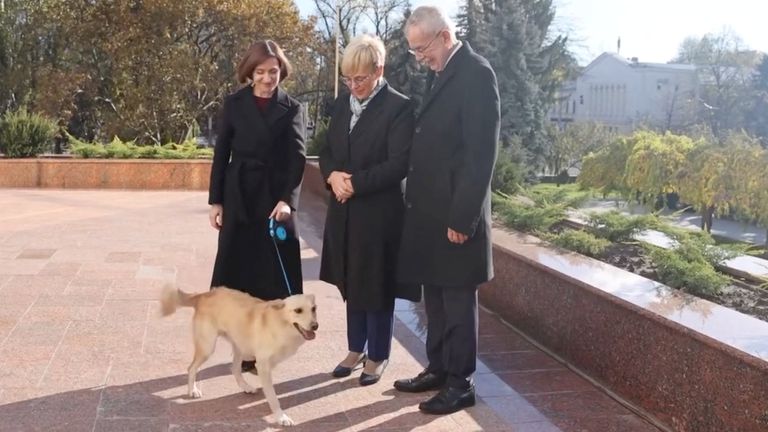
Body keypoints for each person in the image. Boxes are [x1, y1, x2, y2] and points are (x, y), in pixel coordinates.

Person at [393, 6, 500, 414]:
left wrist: (463, 218)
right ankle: (437, 369)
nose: (420, 58)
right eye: (415, 52)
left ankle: (461, 382)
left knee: (457, 304)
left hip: (456, 217)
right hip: (431, 215)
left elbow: (480, 153)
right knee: (434, 301)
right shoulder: (441, 73)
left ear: (444, 36)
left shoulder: (475, 73)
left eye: (422, 49)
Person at [319, 34, 419, 386]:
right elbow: (326, 149)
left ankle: (377, 354)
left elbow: (399, 164)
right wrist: (332, 176)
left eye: (360, 79)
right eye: (348, 79)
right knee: (350, 279)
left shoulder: (399, 107)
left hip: (378, 213)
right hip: (344, 211)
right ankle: (355, 347)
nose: (353, 86)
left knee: (376, 285)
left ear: (379, 70)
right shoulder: (344, 103)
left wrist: (354, 184)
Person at [208, 40, 307, 372]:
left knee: (271, 275)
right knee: (238, 273)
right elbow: (221, 154)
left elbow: (297, 159)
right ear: (250, 73)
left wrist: (287, 202)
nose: (267, 79)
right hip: (239, 197)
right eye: (261, 72)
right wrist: (216, 201)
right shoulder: (234, 104)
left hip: (274, 201)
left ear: (282, 71)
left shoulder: (292, 108)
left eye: (273, 72)